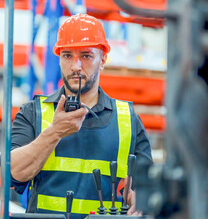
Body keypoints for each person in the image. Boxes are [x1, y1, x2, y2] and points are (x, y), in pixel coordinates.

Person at [10, 14, 153, 218]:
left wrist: (140, 199)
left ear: (102, 59)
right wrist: (54, 133)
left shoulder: (127, 120)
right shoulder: (33, 113)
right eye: (67, 55)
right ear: (59, 59)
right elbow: (14, 173)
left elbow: (147, 189)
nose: (76, 67)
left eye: (86, 56)